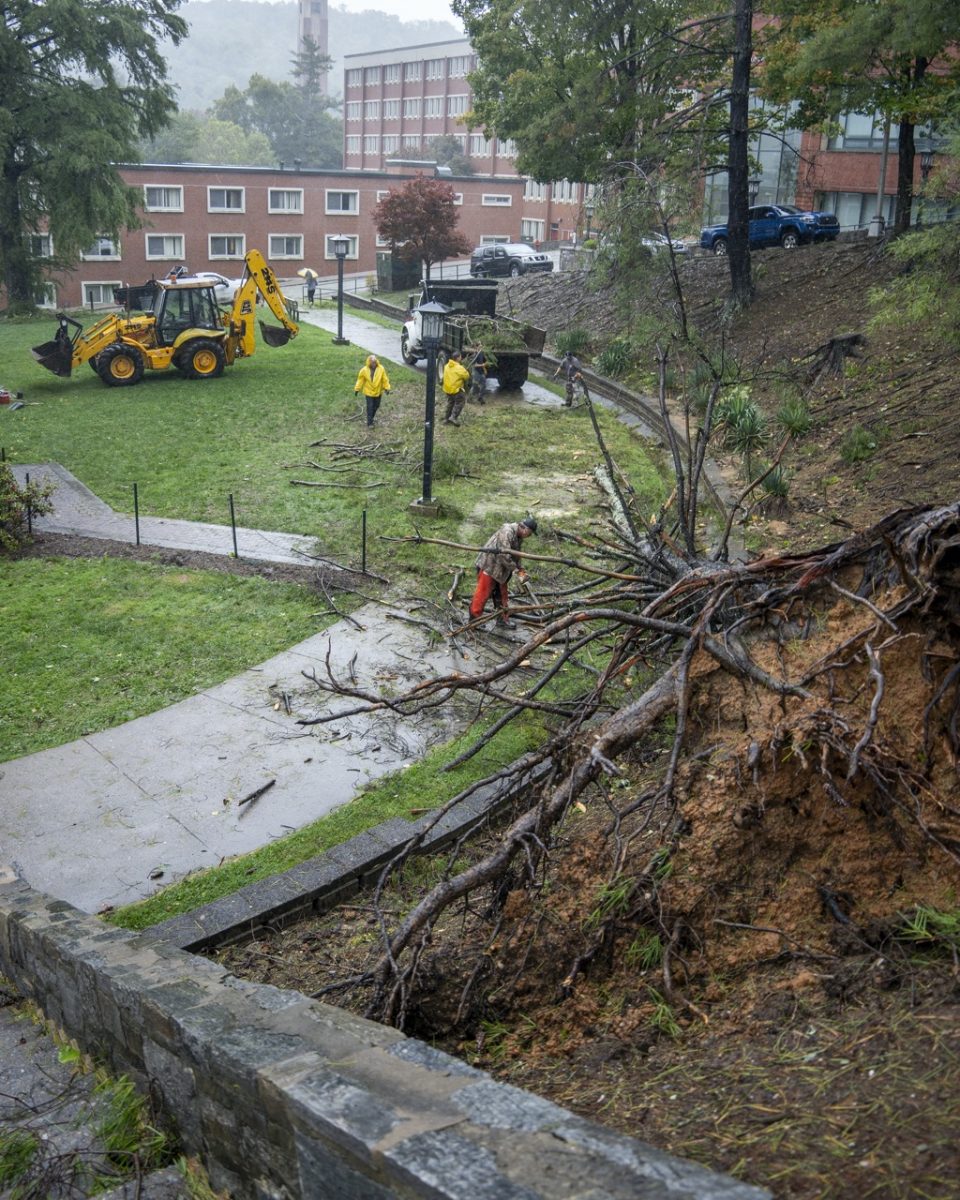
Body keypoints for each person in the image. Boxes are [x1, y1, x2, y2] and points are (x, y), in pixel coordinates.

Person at [468, 516, 538, 628]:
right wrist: (515, 570)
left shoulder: (518, 536)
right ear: (523, 528)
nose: (529, 536)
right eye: (529, 533)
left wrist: (520, 569)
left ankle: (502, 619)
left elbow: (516, 555)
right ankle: (475, 620)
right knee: (482, 593)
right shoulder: (507, 532)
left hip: (502, 569)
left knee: (502, 594)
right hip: (489, 565)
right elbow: (503, 555)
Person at [354, 354, 390, 427]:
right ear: (369, 362)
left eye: (374, 361)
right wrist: (357, 389)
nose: (373, 363)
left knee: (376, 405)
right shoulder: (364, 370)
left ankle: (371, 418)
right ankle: (369, 422)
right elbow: (360, 380)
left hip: (378, 391)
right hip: (368, 392)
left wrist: (387, 388)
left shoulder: (381, 369)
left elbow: (384, 379)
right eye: (372, 362)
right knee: (370, 406)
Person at [442, 352, 471, 426]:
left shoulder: (446, 366)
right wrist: (466, 370)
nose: (461, 358)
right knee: (460, 402)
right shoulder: (459, 368)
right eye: (460, 357)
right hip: (456, 389)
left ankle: (446, 418)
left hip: (447, 389)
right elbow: (467, 376)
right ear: (457, 358)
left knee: (450, 403)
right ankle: (453, 417)